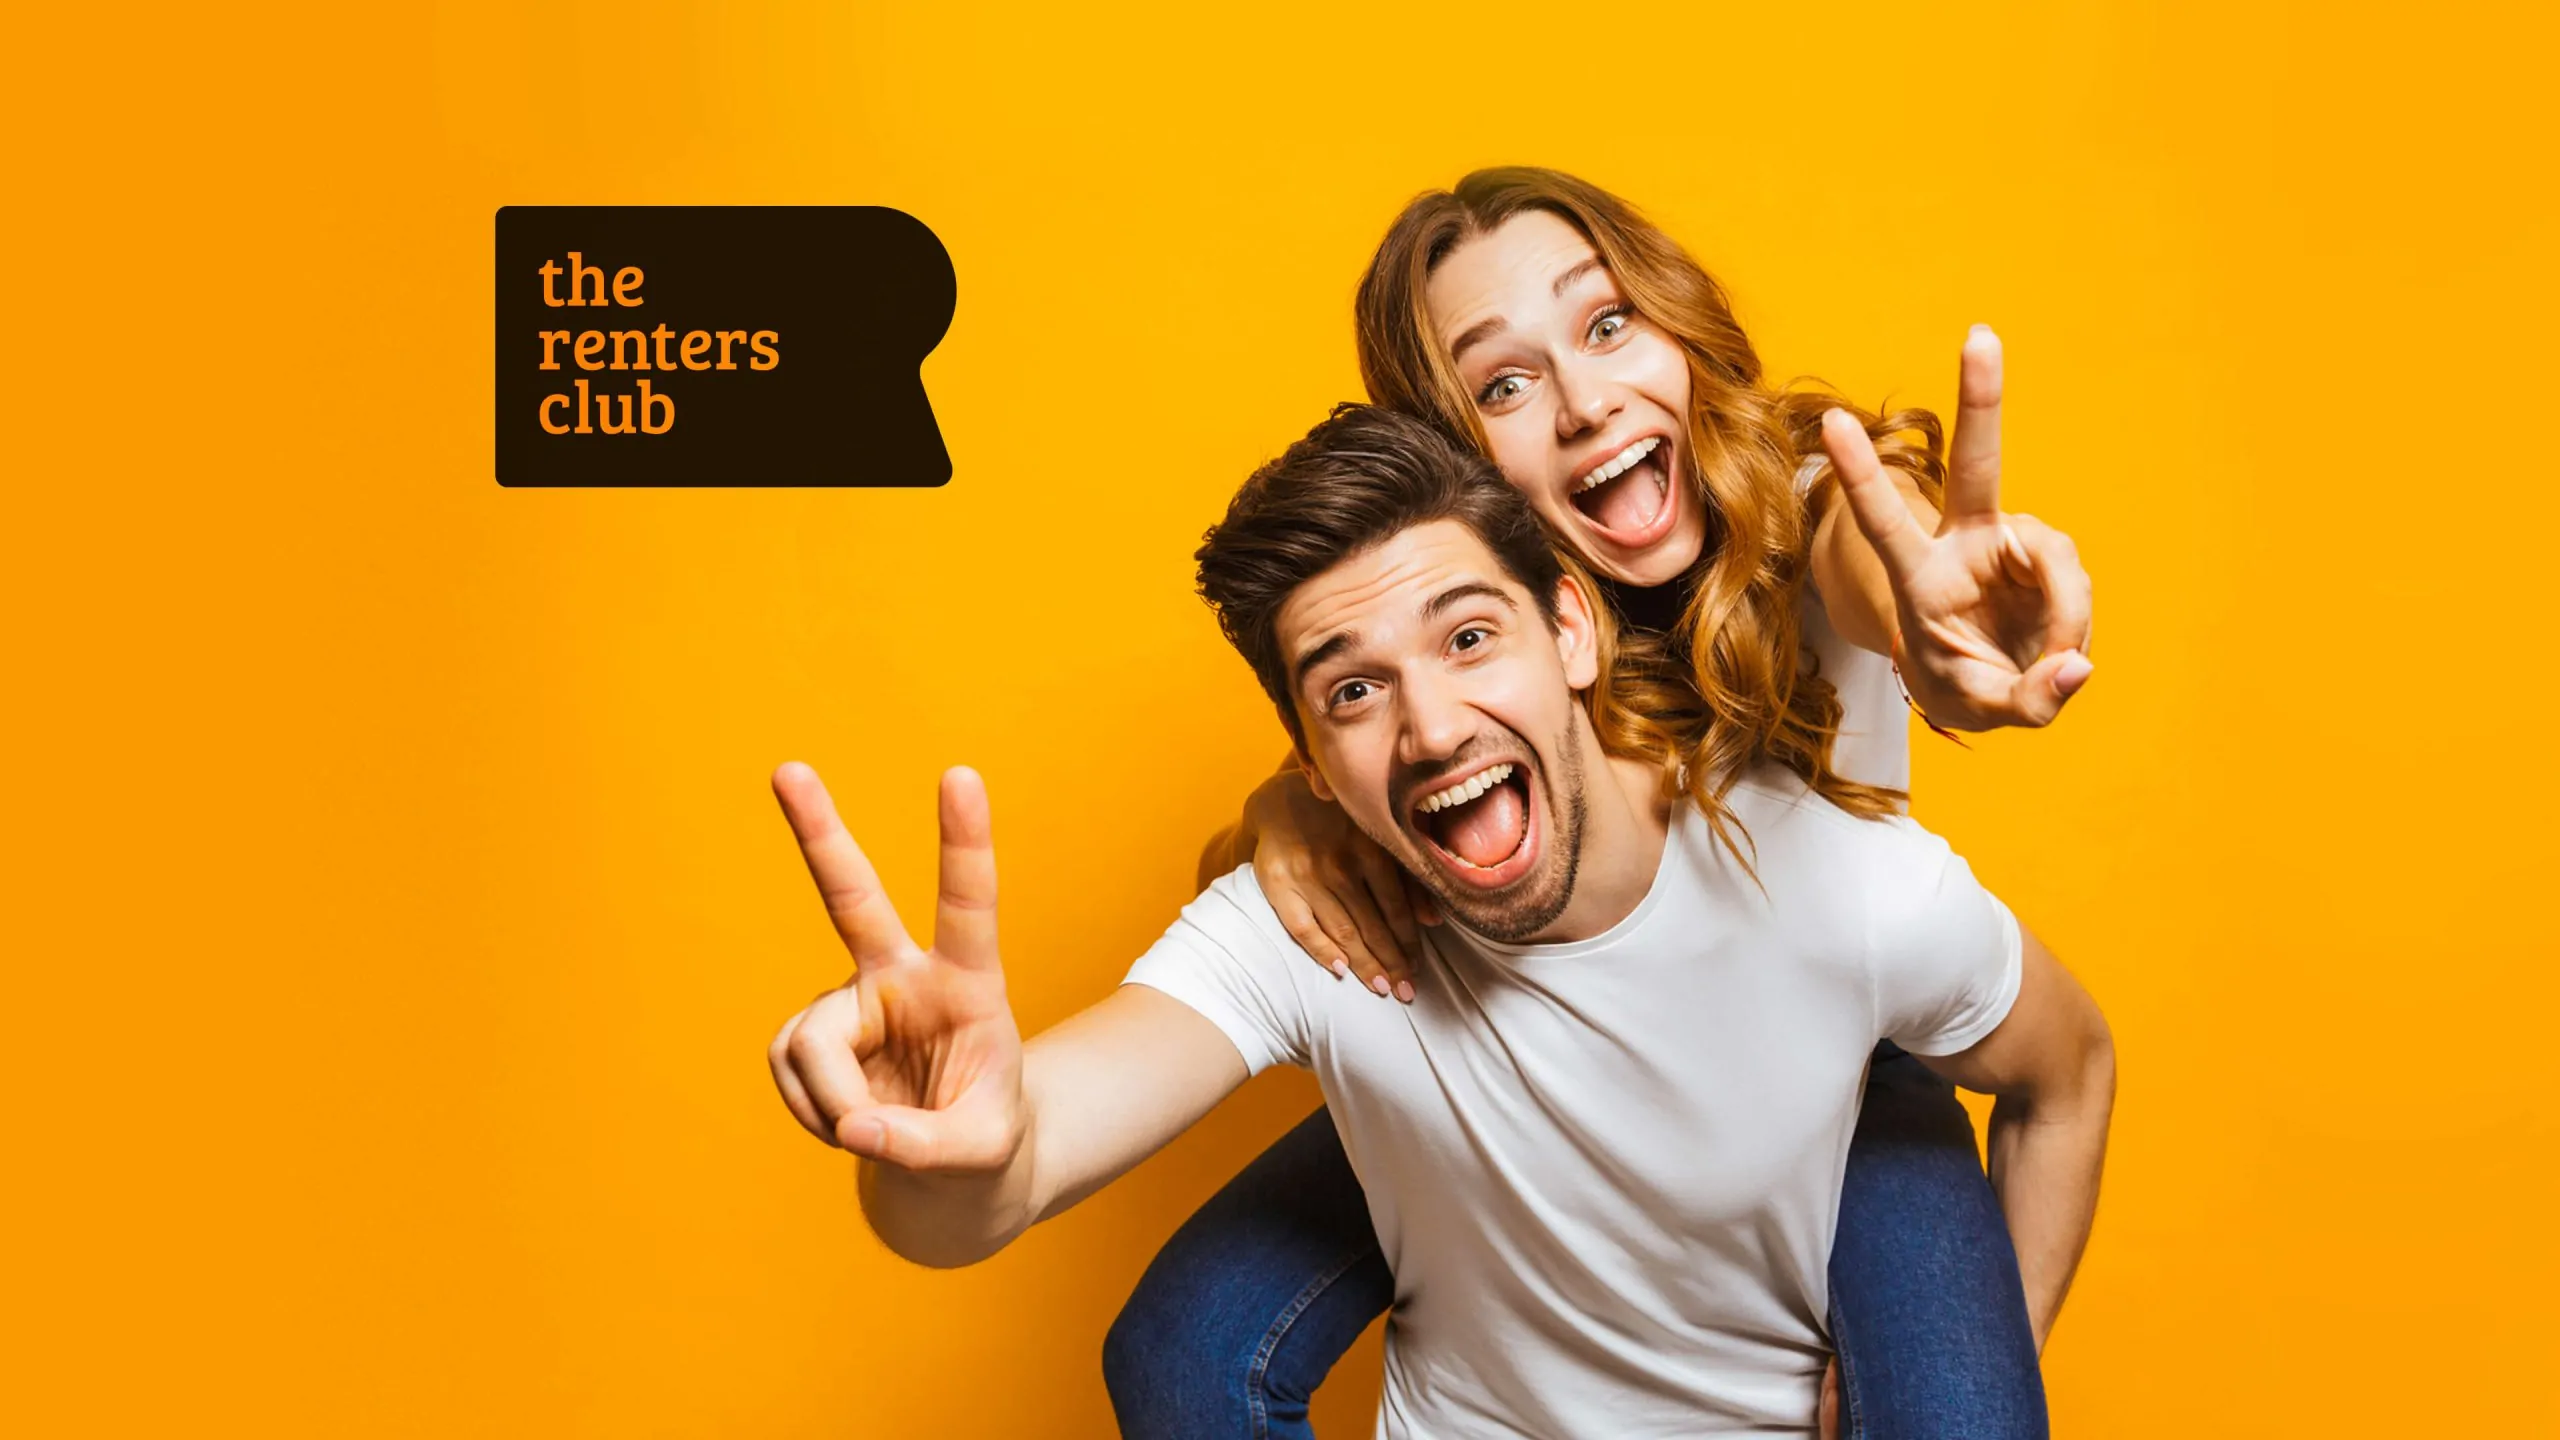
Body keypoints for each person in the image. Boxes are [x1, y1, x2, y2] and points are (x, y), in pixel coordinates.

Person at [767, 405, 2115, 1438]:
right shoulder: (1316, 921)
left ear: (1575, 631)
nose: (1428, 726)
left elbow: (2073, 1069)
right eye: (1351, 694)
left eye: (1470, 638)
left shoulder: (1843, 888)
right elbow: (993, 1189)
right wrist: (942, 1152)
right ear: (1307, 763)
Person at [1109, 168, 2097, 1439]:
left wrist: (1934, 621)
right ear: (1448, 456)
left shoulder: (1801, 503)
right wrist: (1281, 815)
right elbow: (1266, 900)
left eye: (1607, 323)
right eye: (1502, 385)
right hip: (1532, 1056)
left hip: (1827, 1057)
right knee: (1183, 1348)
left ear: (1677, 330)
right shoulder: (1473, 655)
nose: (1583, 402)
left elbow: (1873, 557)